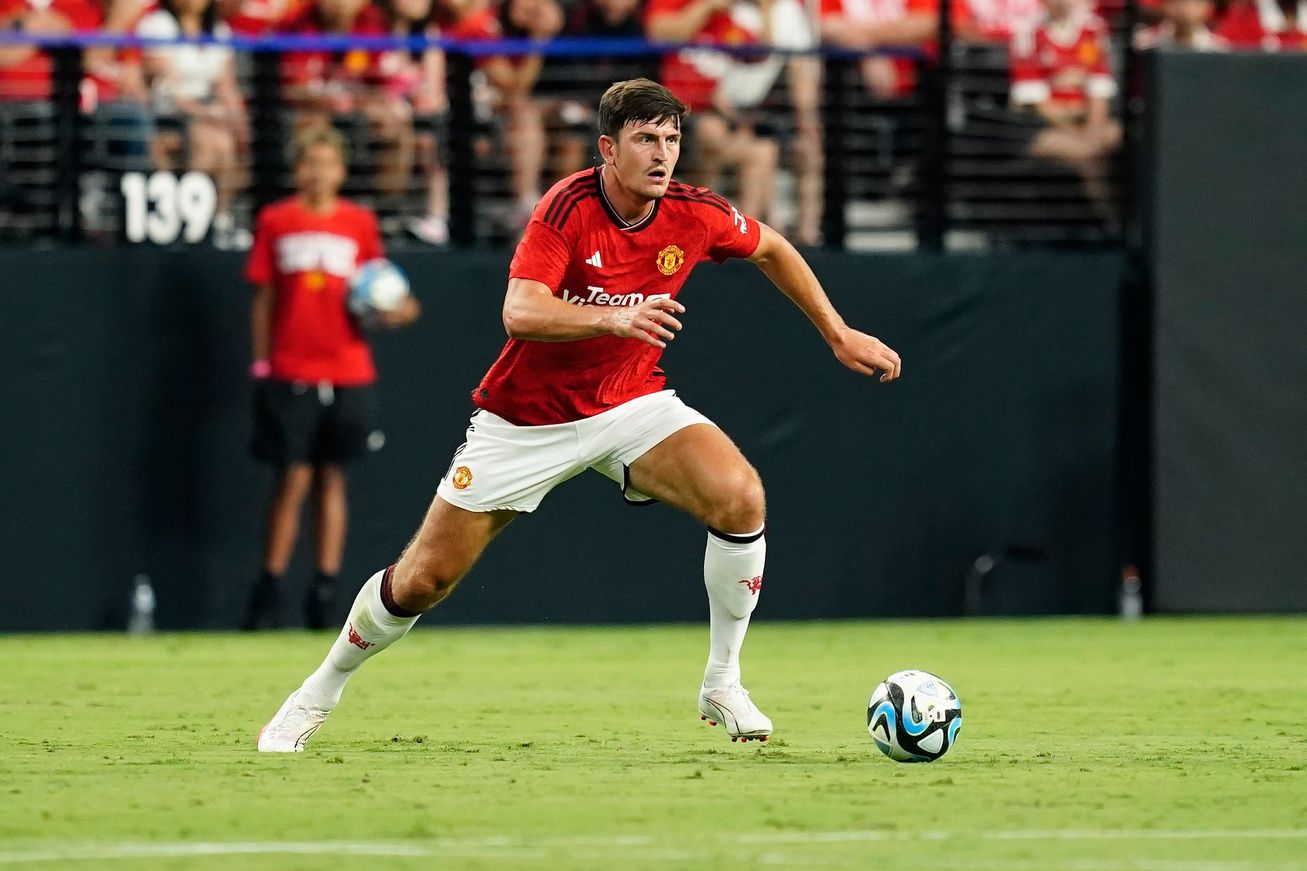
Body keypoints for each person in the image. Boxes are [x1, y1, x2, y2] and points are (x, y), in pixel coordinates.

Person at [256, 78, 901, 752]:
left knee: (740, 497)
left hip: (629, 403)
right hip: (525, 421)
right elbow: (521, 310)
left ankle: (721, 679)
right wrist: (614, 315)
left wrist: (836, 331)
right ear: (607, 148)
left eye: (671, 138)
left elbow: (771, 245)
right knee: (423, 580)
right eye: (645, 138)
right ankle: (315, 692)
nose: (662, 153)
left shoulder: (693, 212)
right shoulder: (566, 207)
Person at [242, 126, 420, 631]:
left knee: (332, 479)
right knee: (291, 478)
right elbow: (264, 298)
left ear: (341, 171)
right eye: (309, 163)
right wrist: (262, 362)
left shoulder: (358, 223)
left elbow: (384, 293)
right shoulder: (277, 220)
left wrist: (398, 311)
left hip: (347, 369)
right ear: (298, 169)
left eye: (327, 163)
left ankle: (325, 592)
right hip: (292, 368)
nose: (318, 173)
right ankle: (268, 592)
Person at [137, 0, 251, 248]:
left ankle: (213, 222)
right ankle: (197, 222)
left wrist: (239, 120)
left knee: (229, 141)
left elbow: (225, 86)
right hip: (168, 112)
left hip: (210, 113)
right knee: (213, 142)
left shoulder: (219, 30)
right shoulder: (157, 26)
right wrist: (208, 115)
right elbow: (168, 86)